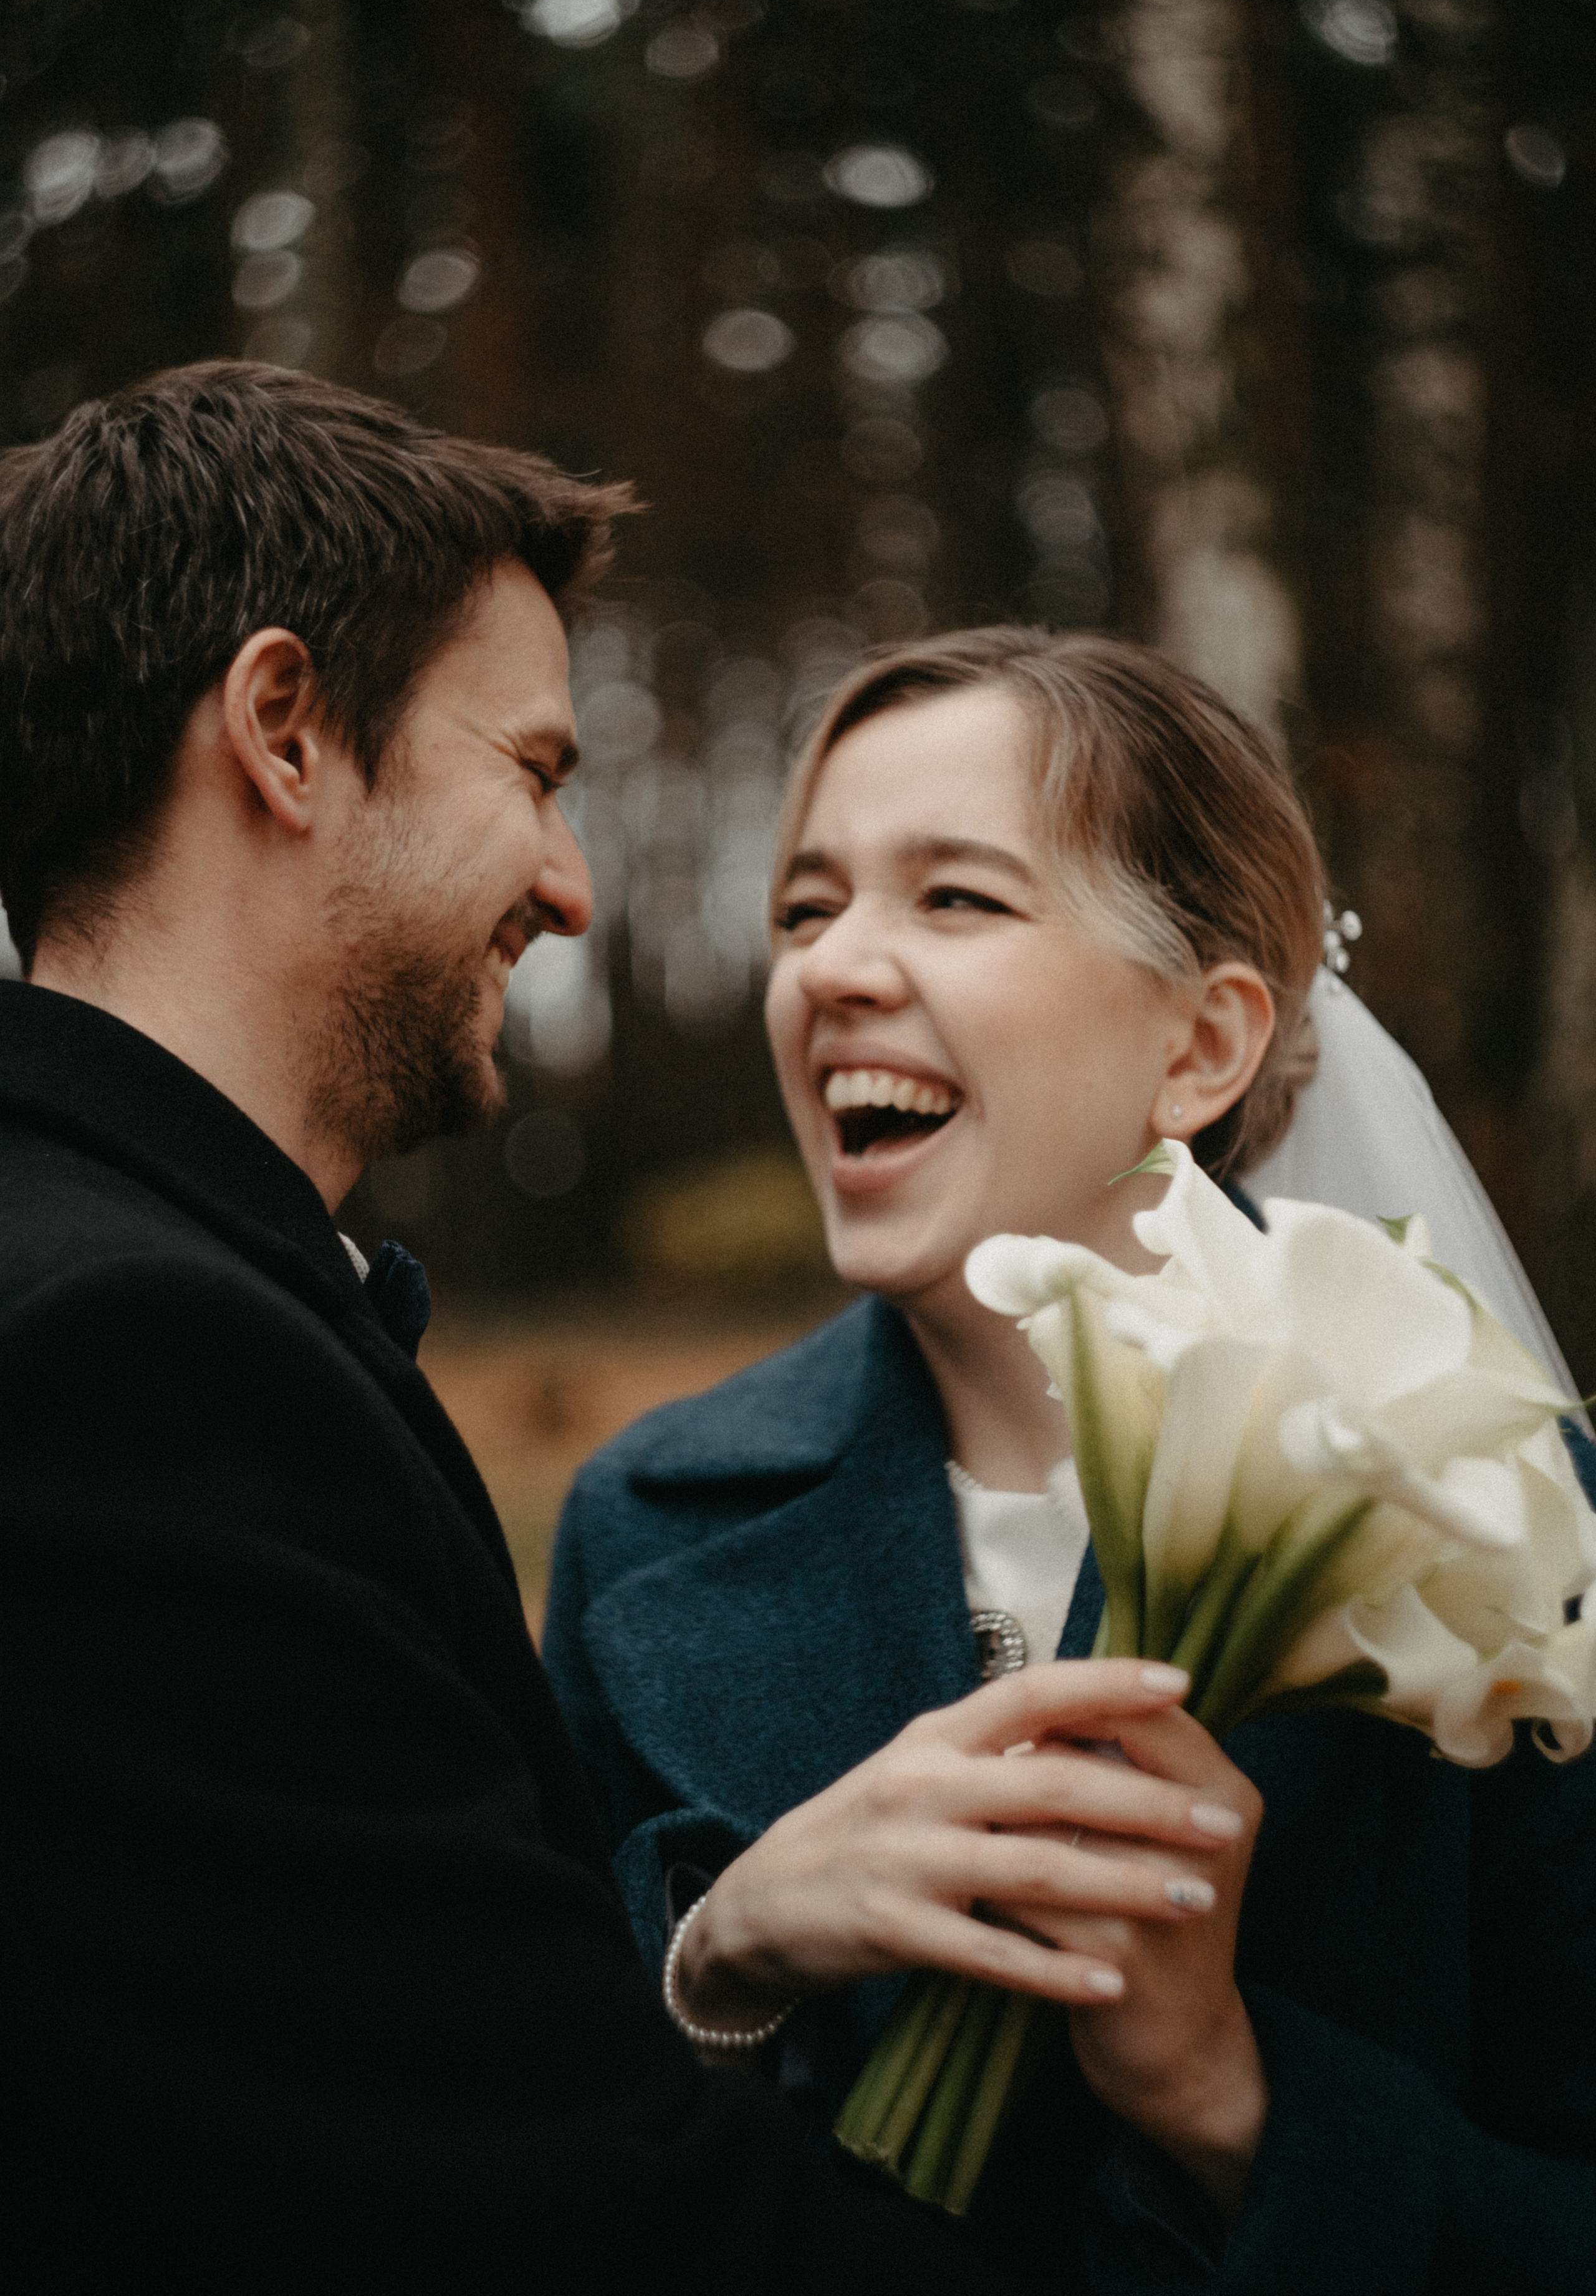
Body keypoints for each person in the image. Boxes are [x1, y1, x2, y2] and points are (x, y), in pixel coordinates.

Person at [0, 367, 1222, 2293]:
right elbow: (528, 2202)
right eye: (538, 773)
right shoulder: (133, 1362)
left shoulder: (148, 1292)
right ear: (286, 734)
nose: (570, 887)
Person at [544, 630, 1596, 2293]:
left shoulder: (1484, 1522)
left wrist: (1229, 2096)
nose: (833, 970)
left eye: (955, 899)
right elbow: (523, 2166)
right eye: (806, 911)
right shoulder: (646, 1523)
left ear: (1201, 1045)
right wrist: (722, 1955)